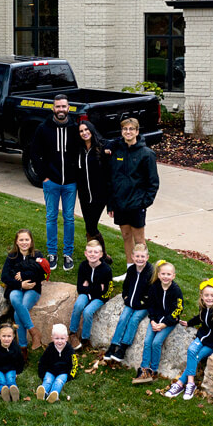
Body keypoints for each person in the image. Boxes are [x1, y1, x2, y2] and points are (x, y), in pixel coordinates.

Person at [30, 94, 80, 271]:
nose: (61, 110)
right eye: (57, 106)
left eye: (64, 107)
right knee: (51, 217)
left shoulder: (75, 128)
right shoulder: (43, 128)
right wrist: (43, 175)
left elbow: (88, 145)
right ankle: (52, 253)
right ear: (53, 108)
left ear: (68, 108)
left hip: (70, 183)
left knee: (69, 218)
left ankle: (68, 254)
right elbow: (34, 153)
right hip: (51, 182)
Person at [164, 277, 213, 400]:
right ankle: (190, 383)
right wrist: (189, 323)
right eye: (206, 295)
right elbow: (200, 317)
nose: (209, 298)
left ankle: (180, 383)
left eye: (212, 295)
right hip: (202, 337)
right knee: (191, 350)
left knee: (196, 356)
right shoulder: (204, 306)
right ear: (202, 296)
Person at [106, 117, 159, 265]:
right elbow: (111, 179)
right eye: (125, 129)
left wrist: (144, 203)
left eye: (131, 129)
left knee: (139, 241)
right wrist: (111, 204)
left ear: (137, 131)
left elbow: (153, 182)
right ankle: (130, 268)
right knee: (126, 236)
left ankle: (141, 271)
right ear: (121, 132)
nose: (128, 132)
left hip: (137, 204)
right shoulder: (116, 151)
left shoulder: (147, 154)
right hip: (120, 204)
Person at [0, 229, 50, 359]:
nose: (24, 242)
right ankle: (33, 331)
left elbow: (42, 273)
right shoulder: (12, 257)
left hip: (33, 289)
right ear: (16, 241)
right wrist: (20, 284)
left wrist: (23, 274)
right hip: (16, 288)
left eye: (26, 239)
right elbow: (5, 276)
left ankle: (22, 348)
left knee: (18, 313)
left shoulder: (37, 255)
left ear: (31, 241)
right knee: (14, 298)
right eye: (21, 240)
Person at [132, 260, 183, 384]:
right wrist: (153, 320)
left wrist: (165, 323)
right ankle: (144, 369)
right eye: (163, 274)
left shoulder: (176, 290)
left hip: (169, 322)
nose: (165, 277)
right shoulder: (154, 287)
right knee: (148, 341)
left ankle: (153, 371)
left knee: (156, 342)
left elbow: (178, 309)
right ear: (159, 275)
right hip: (155, 319)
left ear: (173, 276)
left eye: (168, 274)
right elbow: (151, 305)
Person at [103, 243, 152, 363]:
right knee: (123, 318)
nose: (140, 259)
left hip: (143, 306)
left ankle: (123, 348)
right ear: (133, 257)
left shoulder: (151, 272)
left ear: (147, 257)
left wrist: (142, 303)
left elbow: (152, 293)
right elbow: (125, 287)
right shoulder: (131, 270)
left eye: (142, 256)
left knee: (134, 320)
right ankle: (113, 345)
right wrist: (126, 297)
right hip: (130, 302)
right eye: (137, 256)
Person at [68, 240, 113, 350]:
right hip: (85, 294)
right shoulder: (83, 266)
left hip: (100, 298)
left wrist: (89, 287)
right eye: (90, 252)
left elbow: (107, 291)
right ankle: (72, 333)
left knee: (88, 311)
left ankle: (85, 339)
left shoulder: (106, 270)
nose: (92, 254)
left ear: (101, 254)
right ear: (85, 253)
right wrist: (97, 287)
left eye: (96, 252)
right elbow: (80, 287)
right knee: (78, 305)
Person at [76, 120, 110, 260]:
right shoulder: (78, 150)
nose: (84, 133)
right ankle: (93, 254)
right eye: (81, 131)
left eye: (86, 130)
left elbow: (109, 174)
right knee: (88, 226)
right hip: (84, 195)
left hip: (99, 196)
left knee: (91, 226)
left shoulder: (102, 148)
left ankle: (102, 255)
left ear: (91, 130)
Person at [36, 323, 78, 403]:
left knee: (59, 381)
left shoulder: (70, 350)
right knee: (48, 380)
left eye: (62, 338)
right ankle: (43, 392)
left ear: (67, 338)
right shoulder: (49, 349)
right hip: (50, 371)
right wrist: (42, 374)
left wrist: (70, 376)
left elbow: (74, 364)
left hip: (63, 372)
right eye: (57, 338)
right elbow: (42, 362)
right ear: (52, 338)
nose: (59, 341)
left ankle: (54, 394)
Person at [0, 323, 26, 402]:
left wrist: (18, 371)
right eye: (4, 336)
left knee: (10, 379)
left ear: (13, 337)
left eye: (9, 336)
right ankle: (4, 392)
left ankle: (14, 392)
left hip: (10, 368)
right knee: (1, 380)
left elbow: (20, 360)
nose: (6, 339)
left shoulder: (15, 347)